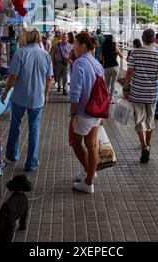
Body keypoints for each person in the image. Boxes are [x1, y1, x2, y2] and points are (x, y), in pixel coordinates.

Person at [1, 27, 53, 171]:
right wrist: (46, 94)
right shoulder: (46, 55)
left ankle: (11, 156)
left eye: (24, 35)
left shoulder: (20, 53)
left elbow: (13, 77)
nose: (22, 37)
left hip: (19, 96)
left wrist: (5, 92)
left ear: (28, 37)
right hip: (38, 98)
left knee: (15, 125)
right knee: (34, 129)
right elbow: (49, 79)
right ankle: (32, 163)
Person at [123, 28, 158, 164]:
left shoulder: (135, 53)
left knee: (139, 121)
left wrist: (126, 88)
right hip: (152, 93)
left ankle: (144, 147)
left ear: (142, 39)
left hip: (137, 93)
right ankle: (148, 144)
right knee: (150, 120)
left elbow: (129, 72)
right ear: (154, 40)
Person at [69, 32, 104, 194]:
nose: (73, 47)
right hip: (97, 110)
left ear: (83, 46)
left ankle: (89, 179)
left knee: (76, 143)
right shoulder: (96, 63)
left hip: (84, 111)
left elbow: (75, 92)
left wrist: (73, 115)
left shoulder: (79, 63)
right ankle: (89, 174)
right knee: (92, 144)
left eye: (75, 43)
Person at [101, 35, 124, 102]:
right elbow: (122, 56)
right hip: (115, 67)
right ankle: (111, 98)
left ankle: (105, 98)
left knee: (106, 84)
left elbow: (101, 58)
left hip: (106, 67)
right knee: (113, 83)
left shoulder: (103, 48)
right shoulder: (115, 47)